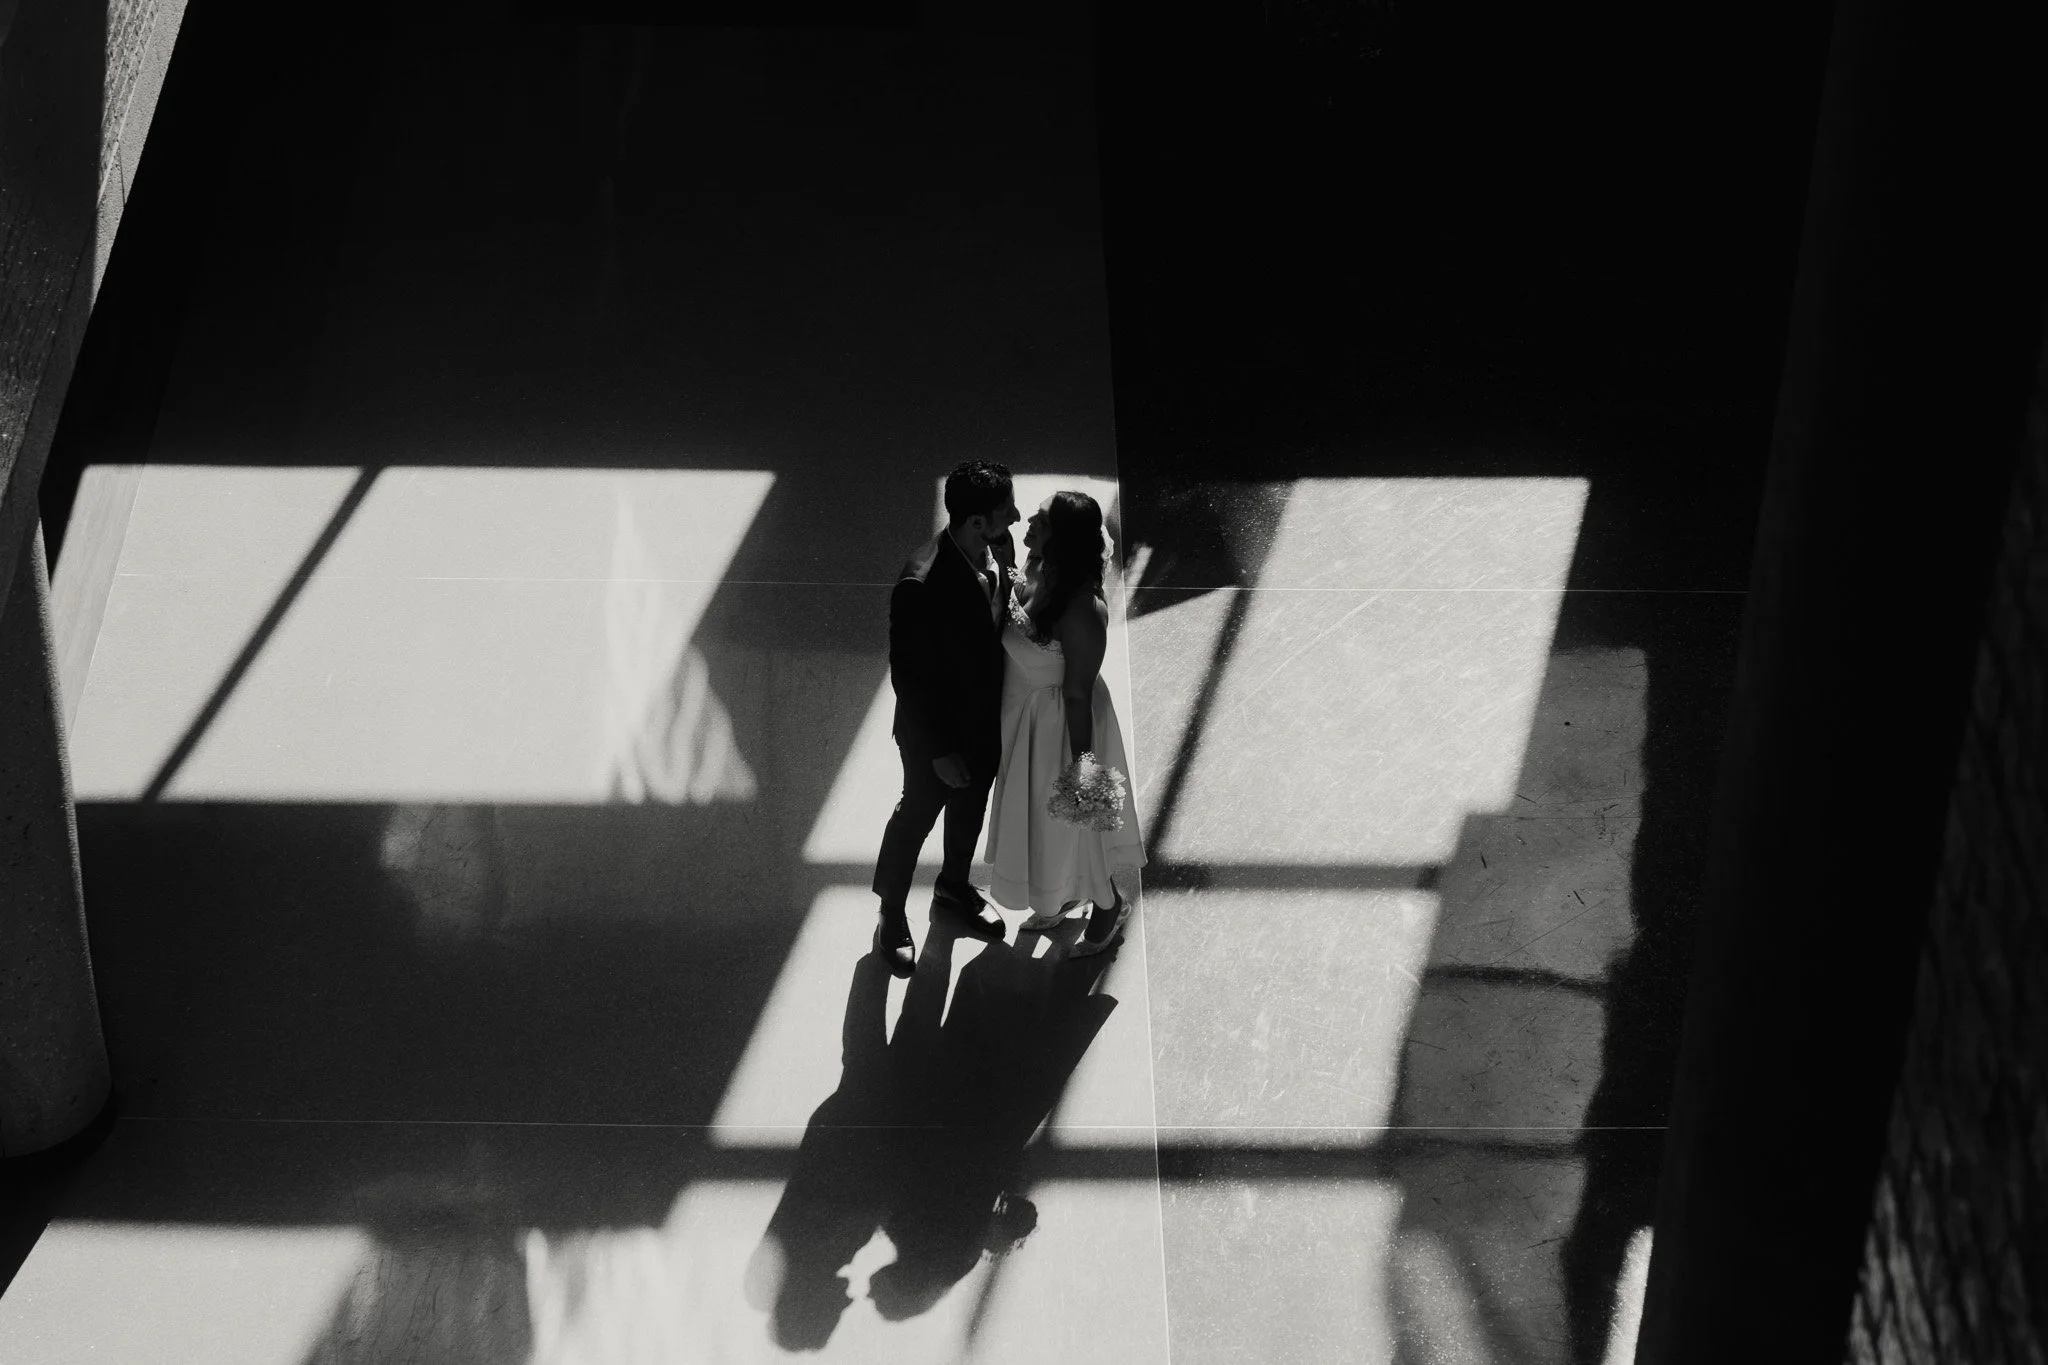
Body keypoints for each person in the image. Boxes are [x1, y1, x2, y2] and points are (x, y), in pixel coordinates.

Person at [870, 461, 1019, 977]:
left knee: (970, 808)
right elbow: (908, 679)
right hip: (935, 733)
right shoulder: (922, 583)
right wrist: (939, 751)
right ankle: (890, 912)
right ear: (977, 521)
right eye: (1007, 511)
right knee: (917, 811)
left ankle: (954, 886)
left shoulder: (995, 553)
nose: (1017, 518)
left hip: (982, 720)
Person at [985, 490, 1146, 952]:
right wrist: (1009, 560)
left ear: (1064, 540)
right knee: (1041, 822)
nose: (1028, 522)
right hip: (1024, 723)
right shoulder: (1040, 572)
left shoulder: (1084, 610)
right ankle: (1060, 896)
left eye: (1041, 520)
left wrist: (1085, 768)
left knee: (1073, 824)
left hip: (1060, 732)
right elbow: (1021, 601)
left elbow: (1077, 694)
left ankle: (1108, 905)